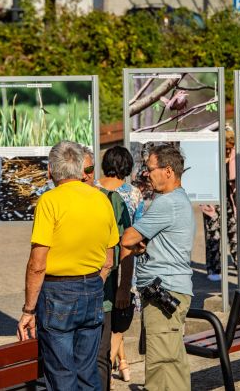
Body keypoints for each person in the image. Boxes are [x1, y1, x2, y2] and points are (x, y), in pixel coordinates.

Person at [17, 140, 119, 390]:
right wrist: (92, 284)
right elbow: (109, 259)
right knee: (87, 372)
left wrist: (29, 310)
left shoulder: (49, 201)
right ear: (81, 170)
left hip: (58, 293)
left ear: (50, 170)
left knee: (62, 375)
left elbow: (37, 264)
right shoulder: (101, 200)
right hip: (93, 287)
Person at [122, 144, 196, 391]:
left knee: (162, 369)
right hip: (172, 290)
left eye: (150, 169)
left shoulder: (167, 203)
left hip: (164, 291)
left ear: (168, 171)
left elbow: (128, 238)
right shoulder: (178, 199)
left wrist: (138, 242)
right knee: (171, 364)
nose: (145, 174)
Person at [82, 146, 133, 391]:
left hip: (87, 288)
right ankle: (120, 362)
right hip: (107, 284)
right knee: (105, 346)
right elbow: (125, 246)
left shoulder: (97, 193)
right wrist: (124, 285)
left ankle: (120, 362)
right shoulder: (126, 196)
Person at [95, 146, 144, 387]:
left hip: (98, 263)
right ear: (127, 166)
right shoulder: (133, 193)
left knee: (104, 319)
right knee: (118, 321)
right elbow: (138, 229)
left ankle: (114, 364)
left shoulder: (92, 187)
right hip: (125, 263)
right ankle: (111, 364)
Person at [201, 129, 240, 282]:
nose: (228, 150)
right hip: (212, 201)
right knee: (213, 236)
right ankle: (213, 268)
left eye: (230, 147)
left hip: (229, 201)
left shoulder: (234, 156)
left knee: (235, 235)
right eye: (226, 147)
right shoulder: (211, 156)